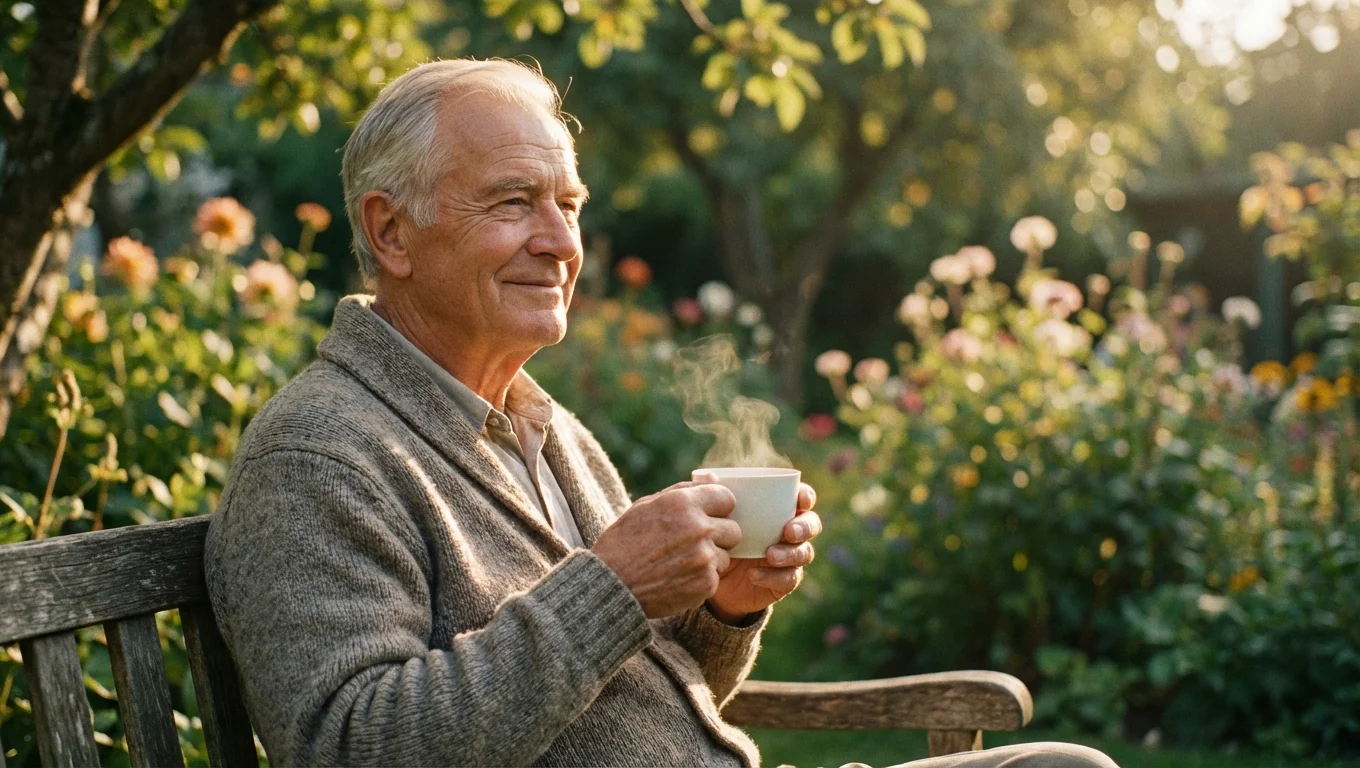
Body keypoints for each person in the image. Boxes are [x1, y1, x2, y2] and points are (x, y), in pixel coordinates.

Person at [204, 59, 1117, 768]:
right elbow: (351, 748)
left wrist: (722, 609)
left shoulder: (540, 425)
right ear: (391, 232)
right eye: (514, 203)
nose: (560, 243)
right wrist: (614, 587)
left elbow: (640, 699)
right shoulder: (319, 457)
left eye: (568, 205)